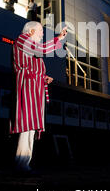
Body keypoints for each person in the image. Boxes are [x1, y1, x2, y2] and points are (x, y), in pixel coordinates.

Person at [10, 21, 67, 173]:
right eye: (41, 31)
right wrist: (57, 39)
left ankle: (24, 163)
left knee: (31, 128)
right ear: (30, 31)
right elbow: (38, 51)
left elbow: (35, 62)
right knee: (27, 126)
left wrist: (44, 78)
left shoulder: (31, 46)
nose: (42, 34)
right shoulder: (23, 39)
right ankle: (20, 164)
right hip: (27, 87)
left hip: (35, 89)